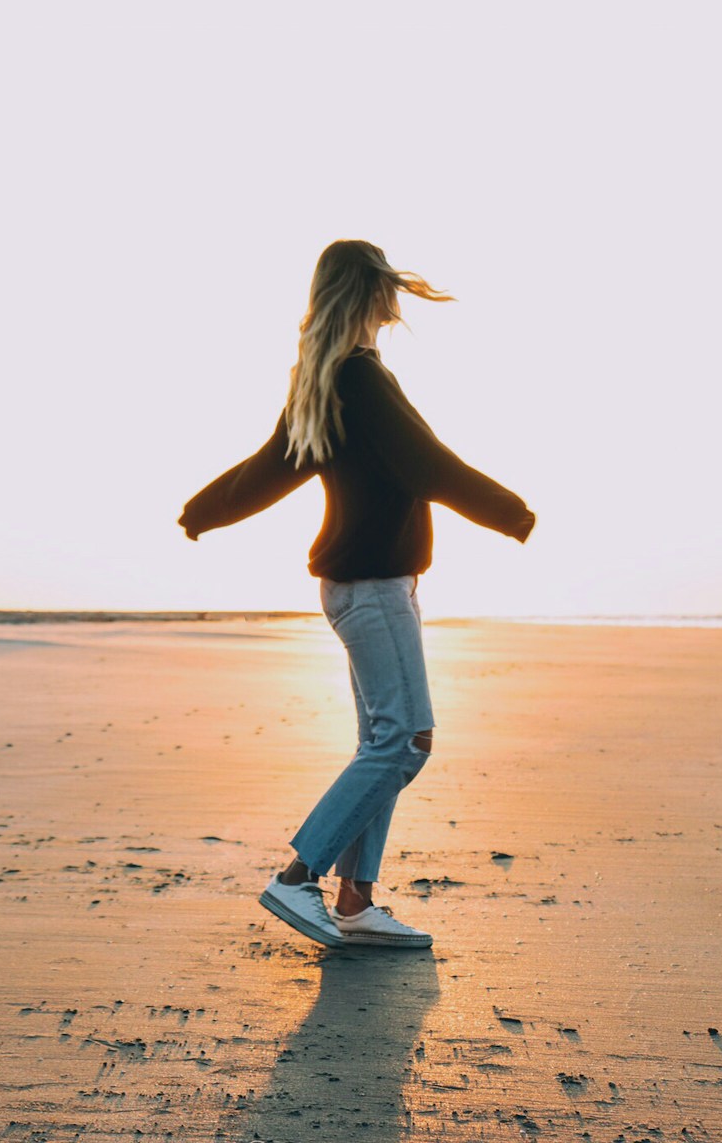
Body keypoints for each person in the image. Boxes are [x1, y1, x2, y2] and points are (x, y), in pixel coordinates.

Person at [178, 239, 535, 949]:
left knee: (383, 742)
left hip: (357, 587)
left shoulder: (324, 381)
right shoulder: (362, 380)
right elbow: (427, 465)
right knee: (405, 739)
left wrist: (201, 511)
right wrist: (511, 513)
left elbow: (264, 470)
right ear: (375, 296)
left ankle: (355, 902)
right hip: (373, 588)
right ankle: (298, 876)